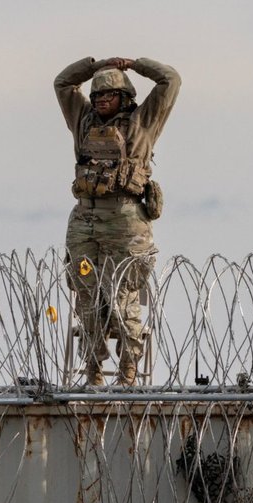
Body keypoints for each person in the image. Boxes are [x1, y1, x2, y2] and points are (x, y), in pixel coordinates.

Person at [54, 55, 180, 386]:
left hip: (126, 224)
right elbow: (63, 82)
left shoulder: (143, 122)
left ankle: (128, 370)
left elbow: (170, 80)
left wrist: (135, 65)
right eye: (96, 96)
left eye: (108, 95)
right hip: (85, 222)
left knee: (122, 295)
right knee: (87, 293)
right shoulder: (83, 120)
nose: (101, 101)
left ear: (125, 98)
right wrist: (96, 66)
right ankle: (94, 368)